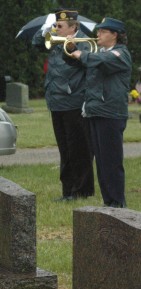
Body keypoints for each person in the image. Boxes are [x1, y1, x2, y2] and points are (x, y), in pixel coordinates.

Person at [32, 8, 94, 201]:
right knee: (64, 150)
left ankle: (82, 191)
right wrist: (44, 30)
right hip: (56, 101)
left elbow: (87, 65)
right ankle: (67, 191)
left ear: (73, 26)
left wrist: (73, 47)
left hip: (74, 101)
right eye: (56, 25)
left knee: (79, 149)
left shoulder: (83, 42)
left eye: (60, 26)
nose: (56, 29)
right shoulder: (56, 40)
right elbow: (36, 44)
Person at [69, 17, 132, 207]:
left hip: (111, 114)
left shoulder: (120, 54)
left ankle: (117, 204)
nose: (98, 35)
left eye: (103, 31)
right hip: (95, 111)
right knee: (102, 163)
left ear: (115, 35)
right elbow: (79, 63)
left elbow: (99, 60)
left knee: (111, 162)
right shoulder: (99, 53)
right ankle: (108, 203)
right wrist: (71, 50)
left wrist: (81, 54)